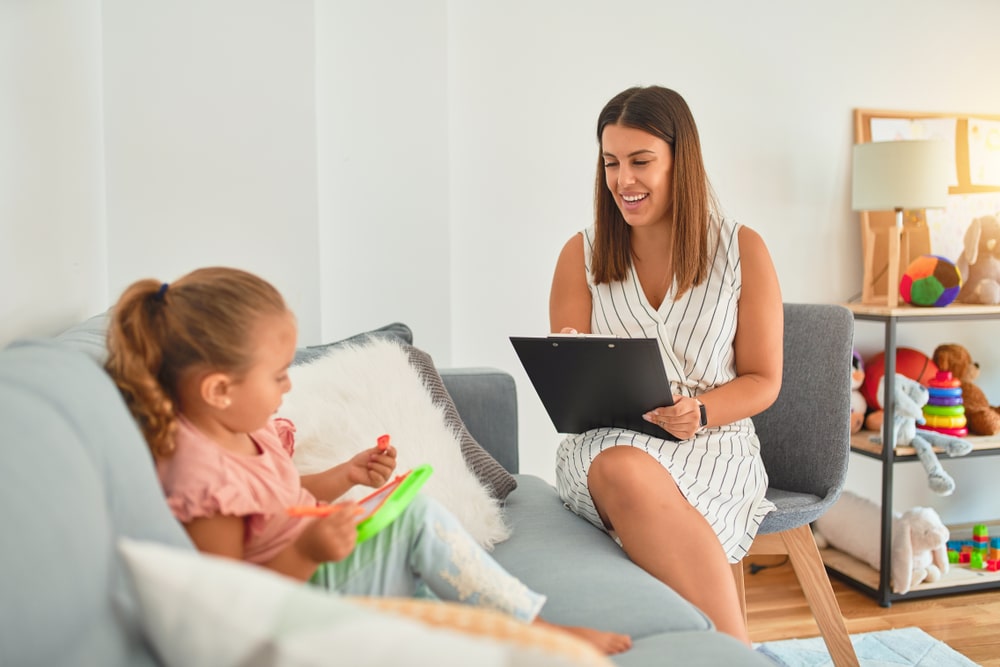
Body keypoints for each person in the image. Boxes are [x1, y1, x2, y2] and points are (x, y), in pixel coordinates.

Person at [104, 266, 630, 655]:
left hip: (321, 571)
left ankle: (491, 636)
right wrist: (309, 549)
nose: (289, 386)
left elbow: (284, 499)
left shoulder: (247, 433)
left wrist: (345, 476)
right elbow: (233, 600)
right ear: (219, 389)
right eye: (278, 375)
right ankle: (538, 635)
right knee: (421, 521)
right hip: (301, 598)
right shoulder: (202, 478)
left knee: (417, 552)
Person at [548, 86, 783, 645]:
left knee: (632, 473)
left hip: (712, 445)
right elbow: (570, 383)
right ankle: (736, 655)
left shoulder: (741, 249)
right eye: (611, 163)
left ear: (682, 160)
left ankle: (716, 653)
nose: (623, 180)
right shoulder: (578, 255)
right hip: (605, 446)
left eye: (641, 162)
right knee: (622, 467)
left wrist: (700, 411)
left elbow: (763, 380)